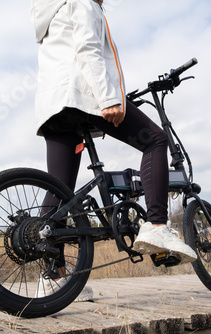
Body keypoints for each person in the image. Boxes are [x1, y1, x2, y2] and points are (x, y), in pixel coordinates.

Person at [30, 0, 197, 297]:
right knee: (155, 140)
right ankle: (157, 225)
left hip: (53, 106)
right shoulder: (83, 3)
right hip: (82, 97)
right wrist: (108, 98)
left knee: (59, 188)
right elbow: (88, 49)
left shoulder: (49, 11)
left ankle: (52, 276)